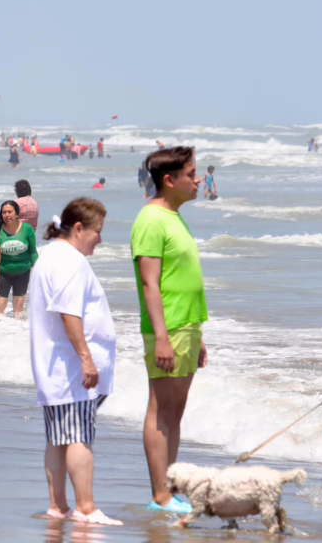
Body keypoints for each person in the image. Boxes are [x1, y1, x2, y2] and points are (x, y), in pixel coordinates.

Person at [29, 198, 119, 525]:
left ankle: (59, 506)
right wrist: (87, 359)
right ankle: (86, 508)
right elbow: (70, 313)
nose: (100, 239)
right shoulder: (69, 261)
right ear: (79, 228)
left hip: (53, 367)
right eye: (98, 231)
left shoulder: (51, 254)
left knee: (58, 438)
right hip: (68, 369)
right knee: (79, 437)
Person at [132, 146, 207, 513]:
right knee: (160, 409)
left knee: (176, 410)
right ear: (169, 180)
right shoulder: (151, 220)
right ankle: (160, 496)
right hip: (167, 328)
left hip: (187, 326)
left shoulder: (176, 217)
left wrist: (199, 336)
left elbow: (183, 278)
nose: (198, 181)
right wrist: (162, 336)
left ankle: (171, 488)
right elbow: (151, 284)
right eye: (191, 174)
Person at [0, 200, 38, 318]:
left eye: (10, 212)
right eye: (4, 212)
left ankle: (16, 333)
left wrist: (39, 269)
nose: (7, 215)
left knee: (19, 310)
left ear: (16, 213)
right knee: (0, 306)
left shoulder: (27, 229)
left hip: (23, 273)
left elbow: (33, 252)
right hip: (2, 273)